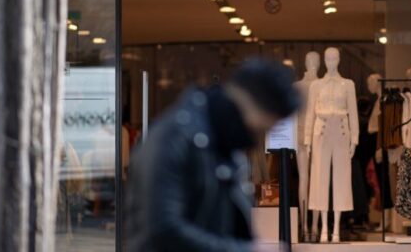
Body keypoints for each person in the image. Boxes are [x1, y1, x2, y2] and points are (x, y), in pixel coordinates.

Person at [126, 59, 300, 252]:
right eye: (262, 129)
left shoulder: (222, 142)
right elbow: (162, 231)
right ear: (248, 106)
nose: (260, 140)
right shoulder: (173, 137)